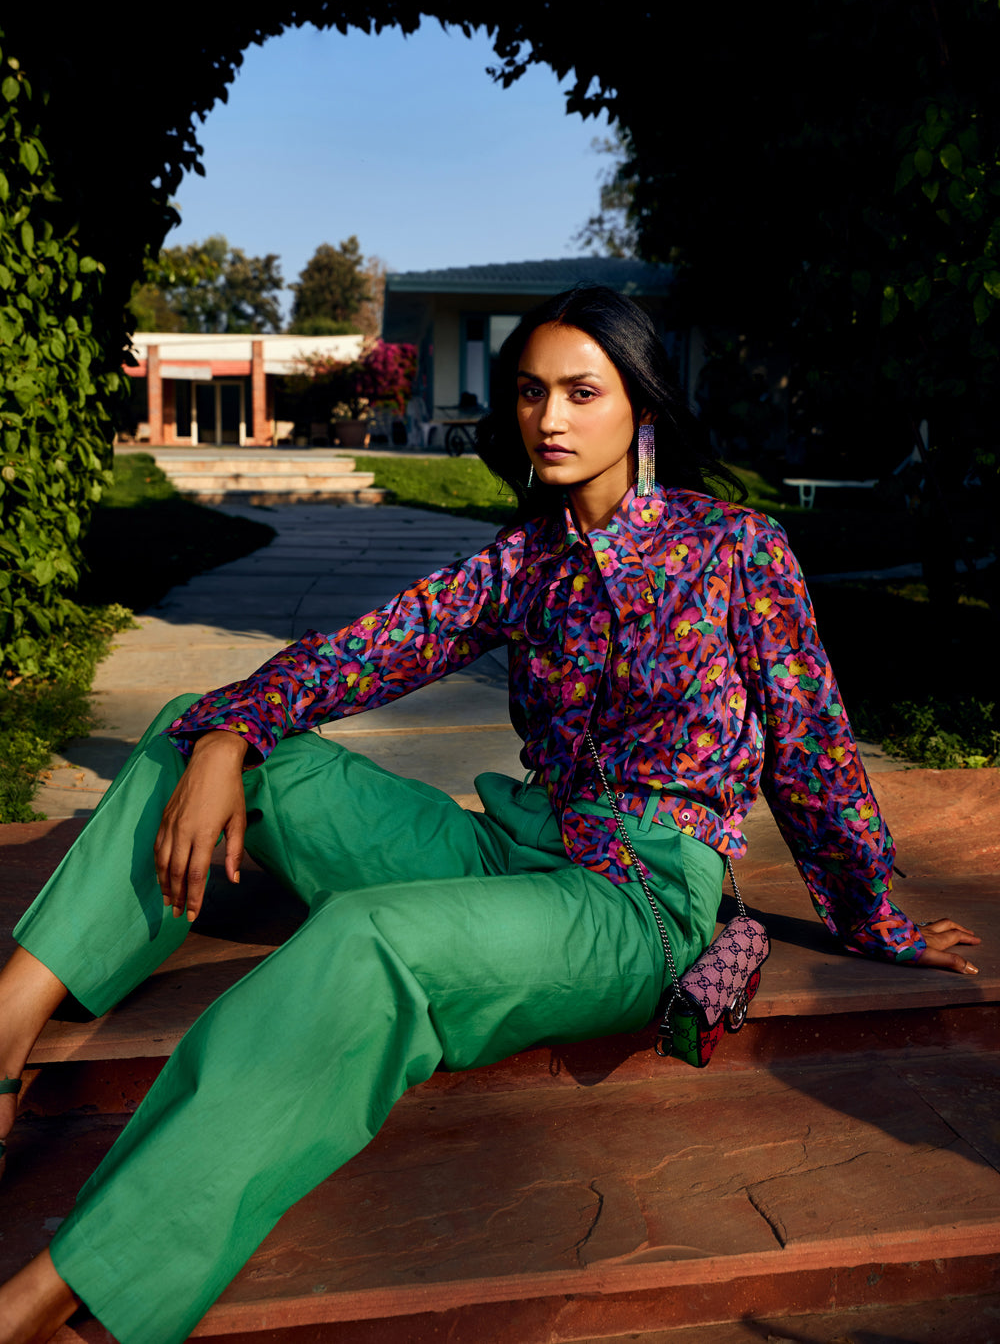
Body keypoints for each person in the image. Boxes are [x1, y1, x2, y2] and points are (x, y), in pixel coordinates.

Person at [0, 285, 980, 1344]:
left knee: (368, 941)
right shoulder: (526, 562)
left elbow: (812, 747)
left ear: (640, 405)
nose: (548, 418)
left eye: (580, 391)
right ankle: (10, 1016)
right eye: (529, 392)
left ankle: (72, 1288)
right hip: (506, 845)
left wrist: (875, 918)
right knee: (204, 724)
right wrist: (235, 733)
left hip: (633, 899)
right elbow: (370, 650)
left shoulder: (737, 550)